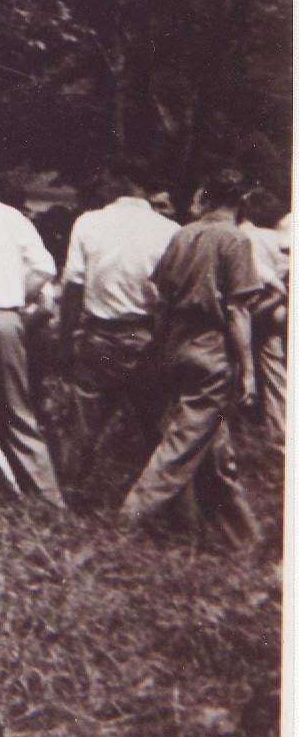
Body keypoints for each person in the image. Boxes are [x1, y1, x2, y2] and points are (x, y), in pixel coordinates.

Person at [119, 168, 261, 545]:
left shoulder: (181, 235)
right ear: (240, 201)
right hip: (211, 350)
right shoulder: (236, 240)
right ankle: (128, 517)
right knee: (181, 446)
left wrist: (161, 349)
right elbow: (237, 312)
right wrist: (248, 371)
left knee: (213, 447)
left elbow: (161, 301)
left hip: (176, 345)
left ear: (207, 197)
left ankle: (241, 537)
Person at [57, 161, 179, 502]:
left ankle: (71, 497)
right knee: (156, 426)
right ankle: (161, 500)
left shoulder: (89, 223)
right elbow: (171, 296)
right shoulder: (169, 230)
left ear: (121, 181)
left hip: (99, 335)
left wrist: (65, 341)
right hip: (146, 336)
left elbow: (72, 288)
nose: (101, 184)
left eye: (107, 178)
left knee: (84, 425)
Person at [0, 183, 66, 506]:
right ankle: (48, 498)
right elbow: (45, 268)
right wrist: (15, 296)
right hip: (6, 317)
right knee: (16, 411)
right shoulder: (9, 216)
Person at [237, 186, 289, 448]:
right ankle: (280, 430)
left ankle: (244, 424)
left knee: (241, 361)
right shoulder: (275, 238)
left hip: (252, 305)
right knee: (273, 369)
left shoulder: (242, 235)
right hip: (275, 308)